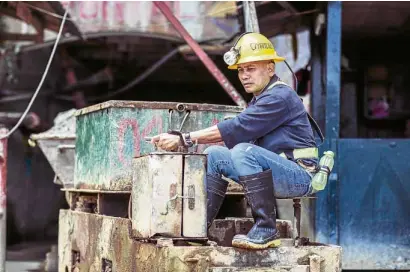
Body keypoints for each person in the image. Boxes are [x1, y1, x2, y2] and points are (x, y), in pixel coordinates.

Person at [151, 32, 319, 250]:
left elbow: (239, 129)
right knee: (213, 155)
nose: (244, 75)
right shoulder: (261, 98)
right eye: (240, 70)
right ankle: (198, 229)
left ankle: (267, 230)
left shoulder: (280, 97)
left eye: (250, 69)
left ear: (270, 69)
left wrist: (185, 138)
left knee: (243, 151)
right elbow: (241, 130)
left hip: (300, 176)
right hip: (279, 170)